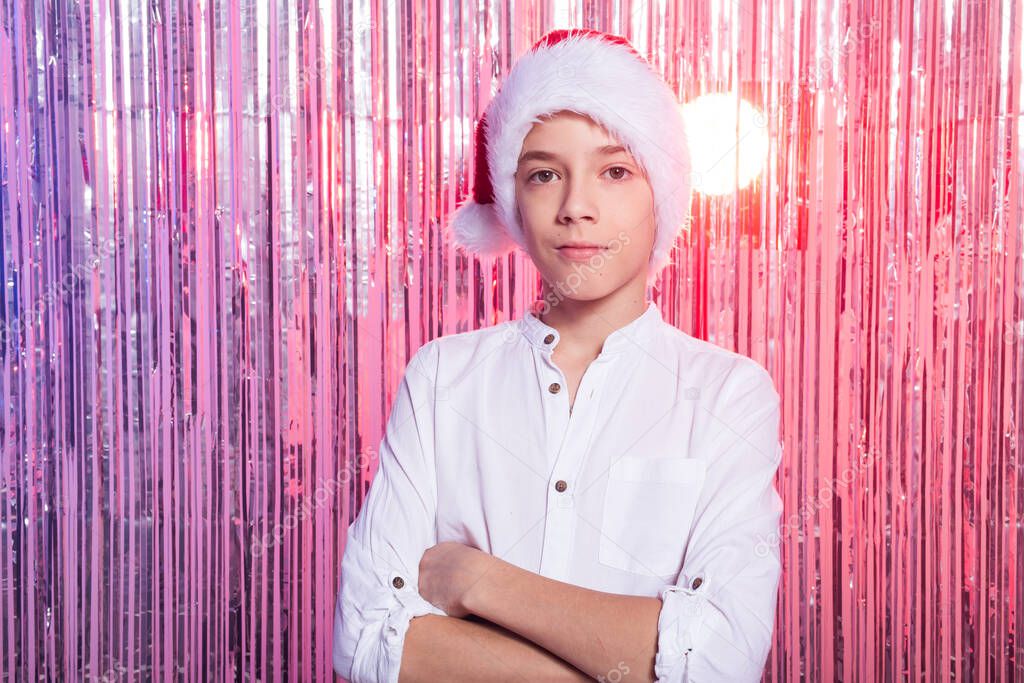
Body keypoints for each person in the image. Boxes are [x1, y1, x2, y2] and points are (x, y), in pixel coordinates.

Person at [332, 28, 784, 683]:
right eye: (545, 173)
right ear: (514, 198)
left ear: (661, 192)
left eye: (615, 171)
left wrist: (480, 581)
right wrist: (623, 659)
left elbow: (718, 660)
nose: (577, 207)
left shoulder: (728, 394)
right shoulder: (441, 379)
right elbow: (366, 638)